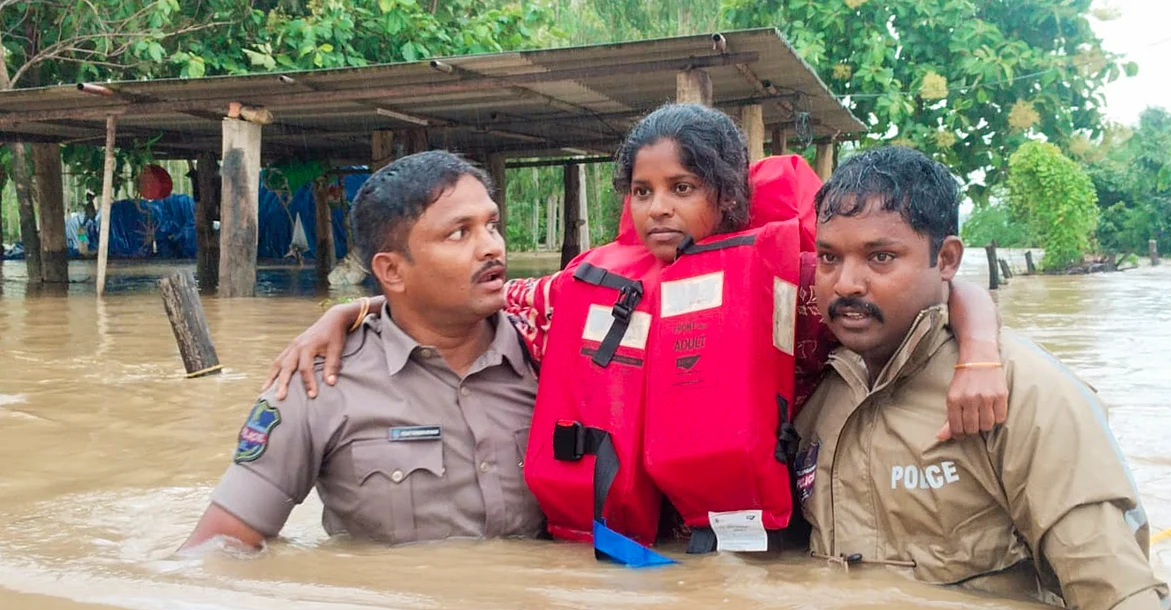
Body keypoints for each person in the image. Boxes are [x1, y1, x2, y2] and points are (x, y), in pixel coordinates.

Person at [263, 104, 1008, 553]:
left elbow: (941, 291)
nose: (660, 208)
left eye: (683, 188)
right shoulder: (576, 291)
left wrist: (978, 351)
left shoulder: (801, 286)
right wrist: (349, 310)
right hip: (638, 545)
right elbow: (465, 300)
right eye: (644, 191)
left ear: (728, 196)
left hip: (757, 537)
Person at [793, 145, 1171, 610]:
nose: (845, 283)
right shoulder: (817, 392)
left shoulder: (1025, 392)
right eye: (829, 258)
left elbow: (1120, 605)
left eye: (881, 257)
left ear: (947, 259)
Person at [180, 151, 543, 551]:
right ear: (392, 271)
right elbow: (217, 550)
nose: (491, 247)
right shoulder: (317, 383)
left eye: (492, 225)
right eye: (459, 233)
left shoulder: (550, 353)